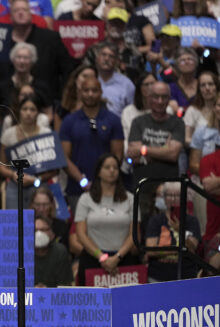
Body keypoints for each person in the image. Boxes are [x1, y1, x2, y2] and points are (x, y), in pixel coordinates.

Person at [74, 153, 138, 285]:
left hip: (124, 259)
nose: (112, 170)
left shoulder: (130, 199)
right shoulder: (86, 199)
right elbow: (80, 234)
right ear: (98, 172)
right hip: (93, 259)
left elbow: (134, 234)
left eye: (115, 167)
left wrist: (117, 257)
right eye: (107, 167)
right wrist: (102, 257)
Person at [126, 81, 184, 222]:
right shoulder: (138, 122)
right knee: (142, 232)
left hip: (169, 189)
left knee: (169, 230)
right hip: (142, 186)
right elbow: (132, 155)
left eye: (164, 97)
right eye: (156, 97)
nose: (160, 101)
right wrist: (164, 149)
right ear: (148, 98)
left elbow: (173, 154)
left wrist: (143, 150)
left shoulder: (177, 123)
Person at [60, 76, 124, 203]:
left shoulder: (113, 120)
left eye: (94, 91)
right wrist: (82, 181)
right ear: (80, 93)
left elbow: (118, 155)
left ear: (100, 93)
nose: (90, 94)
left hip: (108, 188)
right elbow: (64, 157)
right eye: (86, 90)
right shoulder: (69, 121)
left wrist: (105, 180)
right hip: (77, 189)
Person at [0, 94, 52, 209]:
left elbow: (55, 168)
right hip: (15, 184)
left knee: (39, 220)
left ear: (38, 113)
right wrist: (13, 174)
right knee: (14, 223)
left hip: (39, 184)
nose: (28, 113)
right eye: (25, 109)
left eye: (32, 109)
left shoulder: (46, 133)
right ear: (19, 111)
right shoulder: (8, 134)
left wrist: (36, 179)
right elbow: (1, 165)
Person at [145, 181, 201, 282]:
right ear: (165, 198)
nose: (173, 199)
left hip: (186, 275)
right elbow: (151, 251)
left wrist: (179, 230)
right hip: (158, 276)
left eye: (177, 195)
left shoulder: (191, 221)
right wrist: (178, 249)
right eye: (170, 195)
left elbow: (192, 248)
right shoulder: (156, 220)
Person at [93, 41, 135, 117]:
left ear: (116, 62)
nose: (106, 59)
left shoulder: (126, 84)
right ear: (97, 58)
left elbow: (132, 112)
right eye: (103, 55)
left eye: (111, 56)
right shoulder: (90, 80)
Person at [34, 215, 74, 287]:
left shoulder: (60, 251)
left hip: (54, 296)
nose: (38, 234)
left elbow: (65, 286)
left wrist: (48, 291)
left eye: (43, 230)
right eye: (35, 230)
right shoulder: (21, 253)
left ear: (52, 234)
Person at [55, 64, 98, 131]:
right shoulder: (62, 106)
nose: (87, 80)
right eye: (85, 76)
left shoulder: (99, 106)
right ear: (76, 79)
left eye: (91, 78)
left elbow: (94, 130)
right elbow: (58, 134)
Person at [200, 132, 220, 243]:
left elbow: (214, 188)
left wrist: (219, 180)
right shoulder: (208, 159)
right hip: (213, 234)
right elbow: (209, 187)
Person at [168, 48, 200, 113]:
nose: (186, 62)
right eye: (182, 60)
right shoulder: (171, 88)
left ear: (196, 63)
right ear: (177, 65)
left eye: (190, 59)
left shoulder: (203, 84)